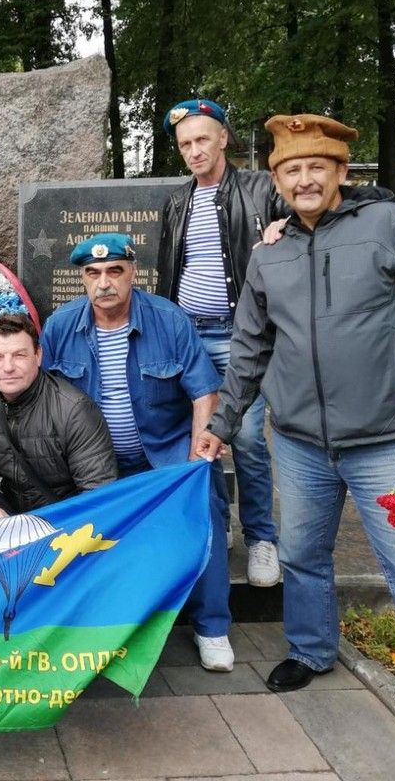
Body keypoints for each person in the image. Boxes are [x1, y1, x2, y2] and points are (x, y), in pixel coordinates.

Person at [194, 114, 395, 767]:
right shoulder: (269, 253)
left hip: (386, 443)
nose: (303, 179)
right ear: (277, 181)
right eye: (290, 170)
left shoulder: (392, 227)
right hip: (300, 443)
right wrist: (222, 425)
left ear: (338, 173)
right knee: (302, 554)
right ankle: (309, 648)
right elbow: (249, 347)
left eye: (315, 168)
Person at [40, 233, 233, 672]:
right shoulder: (60, 327)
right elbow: (45, 398)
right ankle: (93, 630)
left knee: (203, 508)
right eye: (92, 274)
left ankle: (212, 626)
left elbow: (204, 393)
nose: (103, 283)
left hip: (164, 457)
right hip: (92, 463)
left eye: (114, 272)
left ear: (133, 273)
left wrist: (195, 460)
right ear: (83, 279)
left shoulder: (169, 320)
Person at [157, 98, 281, 586]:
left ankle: (262, 538)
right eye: (185, 144)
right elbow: (172, 271)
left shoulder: (262, 189)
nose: (194, 150)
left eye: (202, 139)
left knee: (247, 437)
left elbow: (320, 216)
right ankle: (218, 521)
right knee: (199, 438)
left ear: (224, 138)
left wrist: (285, 227)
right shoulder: (176, 202)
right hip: (188, 335)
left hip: (239, 335)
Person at [0, 313, 117, 518]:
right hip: (10, 513)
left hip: (65, 519)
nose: (8, 367)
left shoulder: (74, 410)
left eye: (19, 355)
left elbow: (98, 495)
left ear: (38, 355)